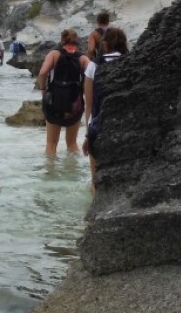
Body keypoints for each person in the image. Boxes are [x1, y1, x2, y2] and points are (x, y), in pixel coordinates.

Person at [82, 27, 128, 192]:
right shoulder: (131, 62)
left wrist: (88, 135)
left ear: (105, 44)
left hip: (99, 126)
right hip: (126, 126)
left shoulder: (94, 66)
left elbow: (89, 105)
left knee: (96, 180)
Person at [37, 29, 90, 157]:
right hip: (74, 102)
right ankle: (73, 172)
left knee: (51, 143)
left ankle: (50, 171)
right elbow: (92, 77)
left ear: (62, 40)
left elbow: (42, 73)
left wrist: (43, 89)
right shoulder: (83, 58)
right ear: (77, 40)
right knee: (72, 143)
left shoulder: (54, 54)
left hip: (54, 101)